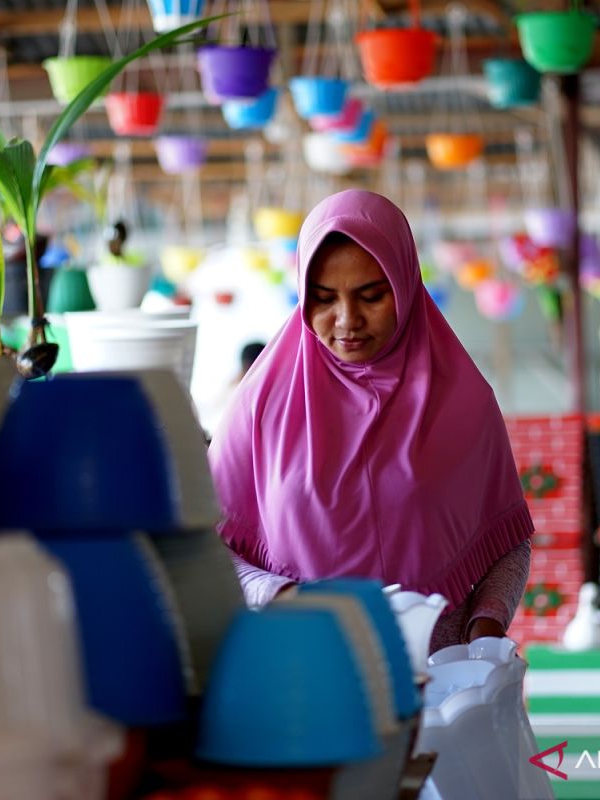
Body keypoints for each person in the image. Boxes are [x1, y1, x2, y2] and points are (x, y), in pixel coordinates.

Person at [207, 190, 533, 650]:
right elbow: (211, 549)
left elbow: (506, 540)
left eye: (371, 295)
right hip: (305, 667)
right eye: (323, 299)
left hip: (438, 679)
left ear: (404, 285)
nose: (347, 321)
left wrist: (485, 629)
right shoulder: (260, 408)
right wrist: (280, 595)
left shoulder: (465, 402)